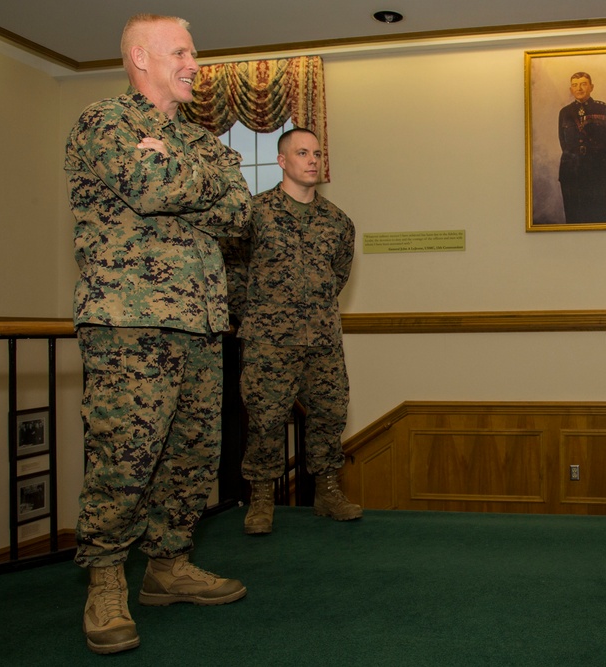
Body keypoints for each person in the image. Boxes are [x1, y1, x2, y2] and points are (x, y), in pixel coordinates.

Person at [65, 14, 251, 655]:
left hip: (201, 320)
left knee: (193, 456)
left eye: (194, 51)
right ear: (141, 57)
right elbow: (146, 189)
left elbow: (241, 211)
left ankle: (168, 567)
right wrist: (189, 178)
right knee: (125, 456)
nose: (195, 62)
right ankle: (107, 579)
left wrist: (180, 169)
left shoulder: (200, 140)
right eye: (182, 51)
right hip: (129, 320)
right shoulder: (105, 122)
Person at [222, 127, 360, 536]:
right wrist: (257, 313)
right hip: (268, 340)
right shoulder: (254, 213)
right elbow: (232, 269)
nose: (313, 160)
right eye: (303, 153)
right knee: (265, 421)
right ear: (283, 161)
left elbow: (338, 274)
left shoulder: (338, 222)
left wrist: (310, 311)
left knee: (331, 414)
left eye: (317, 153)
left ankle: (327, 491)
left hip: (321, 339)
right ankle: (262, 497)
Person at [558, 72, 606, 223]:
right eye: (575, 85)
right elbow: (563, 142)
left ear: (591, 87)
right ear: (571, 89)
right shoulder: (565, 112)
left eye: (583, 84)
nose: (579, 88)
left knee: (596, 215)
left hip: (595, 170)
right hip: (570, 171)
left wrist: (595, 160)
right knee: (573, 217)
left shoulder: (605, 110)